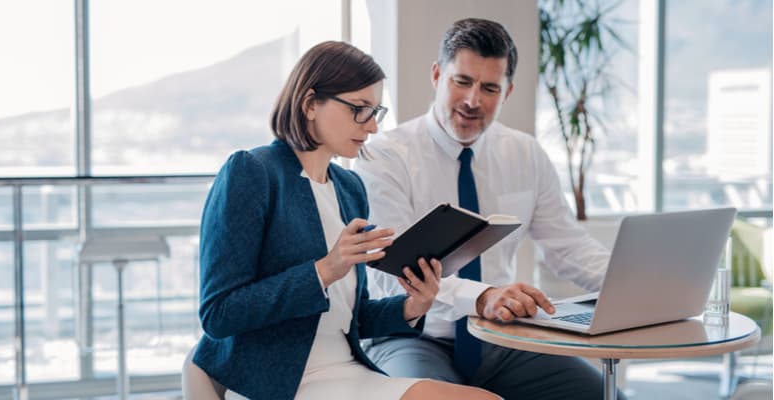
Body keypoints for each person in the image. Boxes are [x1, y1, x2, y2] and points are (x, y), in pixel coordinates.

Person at [192, 41, 499, 400]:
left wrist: (413, 306)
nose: (371, 128)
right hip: (279, 382)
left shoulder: (350, 188)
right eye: (359, 110)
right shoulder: (252, 172)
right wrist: (324, 269)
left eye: (375, 112)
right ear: (310, 104)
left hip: (348, 371)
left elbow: (353, 317)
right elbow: (218, 313)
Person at [354, 19, 627, 399]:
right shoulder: (384, 157)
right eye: (461, 82)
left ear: (508, 91)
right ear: (437, 75)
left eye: (489, 88)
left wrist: (630, 286)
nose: (472, 101)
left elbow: (567, 247)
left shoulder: (525, 153)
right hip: (413, 335)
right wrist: (482, 297)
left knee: (606, 395)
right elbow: (393, 273)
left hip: (501, 340)